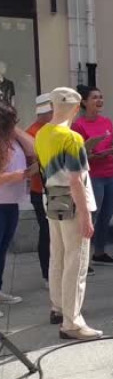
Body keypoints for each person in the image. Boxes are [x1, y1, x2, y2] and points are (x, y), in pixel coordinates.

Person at [35, 87, 101, 339]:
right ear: (76, 107)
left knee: (58, 254)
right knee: (77, 261)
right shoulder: (72, 138)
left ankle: (58, 307)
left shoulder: (42, 133)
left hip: (52, 197)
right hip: (73, 201)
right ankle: (72, 322)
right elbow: (76, 181)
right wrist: (86, 216)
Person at [72, 86, 113, 269]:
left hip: (111, 174)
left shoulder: (107, 122)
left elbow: (107, 145)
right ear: (84, 102)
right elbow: (77, 155)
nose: (99, 100)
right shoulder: (78, 125)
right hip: (92, 176)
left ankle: (99, 252)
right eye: (94, 97)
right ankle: (82, 258)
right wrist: (96, 156)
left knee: (106, 216)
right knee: (90, 217)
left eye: (101, 97)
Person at [0, 104, 35, 311]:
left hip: (10, 202)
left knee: (3, 249)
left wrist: (14, 130)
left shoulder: (12, 139)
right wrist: (20, 175)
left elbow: (34, 148)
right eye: (13, 121)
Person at [26, 93, 53, 288]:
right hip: (40, 190)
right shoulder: (31, 133)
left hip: (57, 188)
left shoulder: (53, 130)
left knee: (55, 233)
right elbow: (31, 166)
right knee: (46, 232)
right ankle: (47, 274)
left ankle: (55, 270)